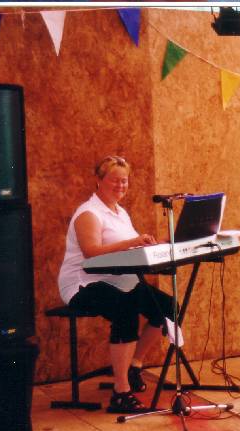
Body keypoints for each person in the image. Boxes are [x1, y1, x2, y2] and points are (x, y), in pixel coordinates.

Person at [58, 155, 173, 413]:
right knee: (126, 309)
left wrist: (158, 244)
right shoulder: (88, 213)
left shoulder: (120, 213)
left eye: (125, 181)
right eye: (114, 180)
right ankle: (121, 393)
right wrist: (132, 243)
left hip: (120, 280)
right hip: (84, 284)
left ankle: (133, 366)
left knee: (167, 307)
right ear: (98, 181)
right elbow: (91, 252)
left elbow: (130, 249)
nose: (121, 185)